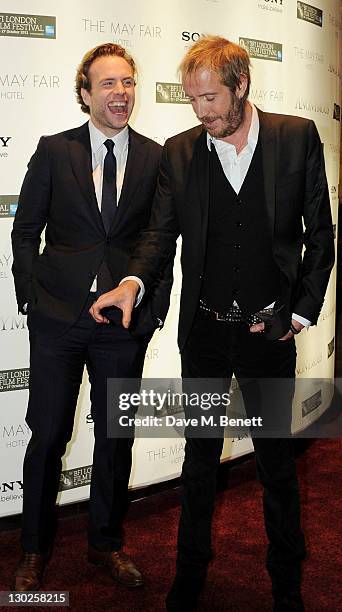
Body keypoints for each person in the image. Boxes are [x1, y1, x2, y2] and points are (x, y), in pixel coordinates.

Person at [91, 36, 335, 611]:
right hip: (203, 334)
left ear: (241, 85)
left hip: (267, 335)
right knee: (198, 462)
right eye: (193, 101)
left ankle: (287, 584)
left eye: (211, 99)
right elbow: (158, 235)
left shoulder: (295, 138)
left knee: (276, 463)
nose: (202, 112)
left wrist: (298, 312)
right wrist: (132, 282)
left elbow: (320, 237)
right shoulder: (181, 152)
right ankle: (190, 578)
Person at [11, 42, 172, 592]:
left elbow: (159, 239)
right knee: (47, 434)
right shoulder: (55, 151)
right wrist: (31, 296)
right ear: (85, 93)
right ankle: (34, 548)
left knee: (116, 437)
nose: (121, 92)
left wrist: (150, 310)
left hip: (122, 325)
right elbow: (25, 229)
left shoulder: (156, 157)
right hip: (58, 319)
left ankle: (106, 544)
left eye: (127, 82)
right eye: (108, 84)